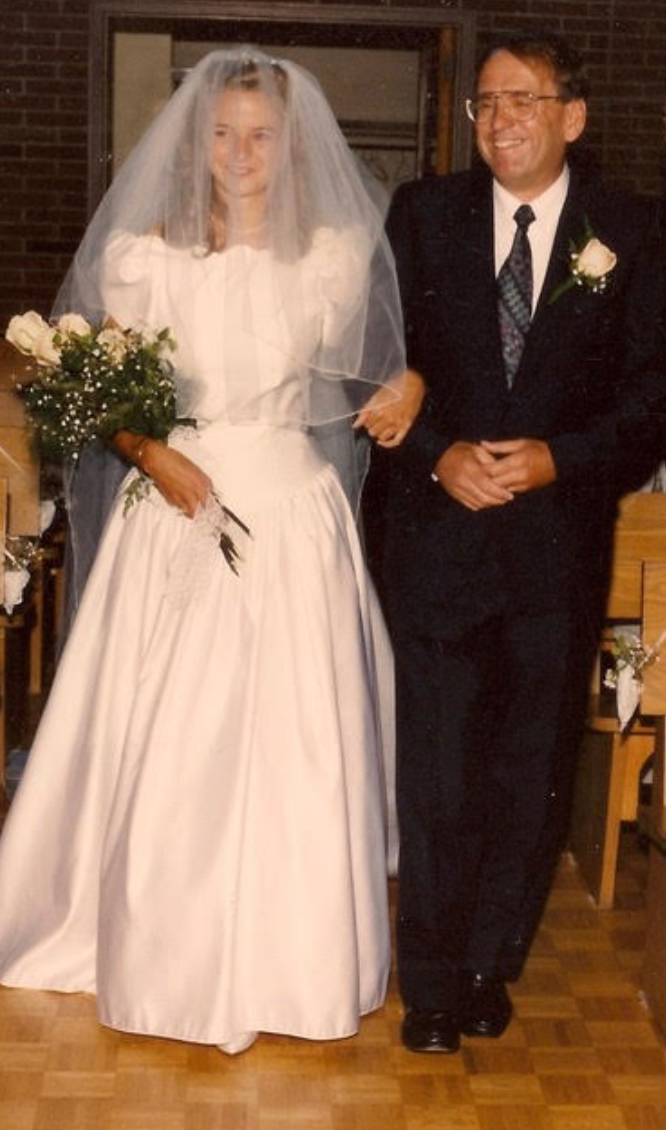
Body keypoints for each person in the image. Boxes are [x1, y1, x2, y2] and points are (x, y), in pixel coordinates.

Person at [0, 48, 420, 1055]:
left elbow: (385, 377)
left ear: (291, 146)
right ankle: (157, 945)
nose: (240, 151)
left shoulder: (330, 261)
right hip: (177, 505)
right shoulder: (144, 261)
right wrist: (157, 455)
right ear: (197, 143)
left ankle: (295, 955)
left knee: (291, 737)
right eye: (222, 133)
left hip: (293, 514)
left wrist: (412, 388)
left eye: (260, 134)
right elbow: (88, 394)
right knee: (174, 734)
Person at [382, 30, 666, 1054]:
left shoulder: (628, 229)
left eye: (523, 100)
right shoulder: (422, 216)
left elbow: (650, 397)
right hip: (438, 545)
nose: (500, 120)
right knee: (440, 770)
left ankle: (487, 961)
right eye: (486, 104)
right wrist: (432, 451)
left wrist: (561, 457)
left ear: (572, 116)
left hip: (554, 548)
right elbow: (373, 362)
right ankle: (427, 982)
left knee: (527, 769)